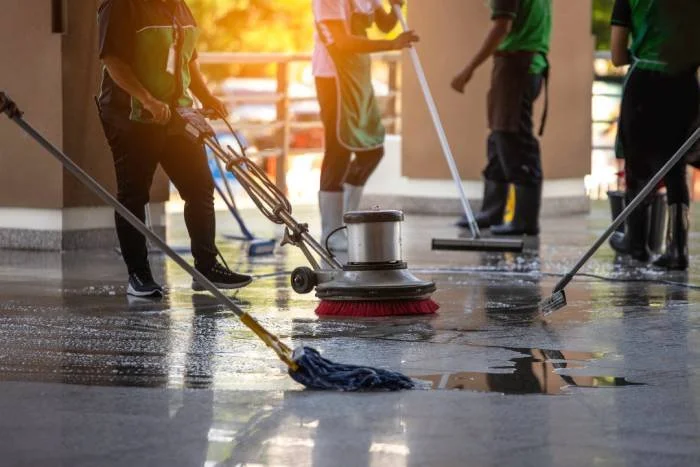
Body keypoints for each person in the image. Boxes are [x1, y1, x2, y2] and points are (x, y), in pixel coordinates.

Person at [97, 0, 253, 297]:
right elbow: (113, 60)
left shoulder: (179, 6)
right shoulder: (119, 6)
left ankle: (206, 268)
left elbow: (187, 60)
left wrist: (207, 96)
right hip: (131, 116)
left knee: (199, 187)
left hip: (176, 114)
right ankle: (138, 275)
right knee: (134, 195)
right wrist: (148, 100)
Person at [312, 0, 418, 250]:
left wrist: (396, 6)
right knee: (338, 151)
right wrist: (392, 44)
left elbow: (384, 24)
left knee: (372, 150)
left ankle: (345, 222)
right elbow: (342, 42)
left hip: (359, 77)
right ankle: (330, 231)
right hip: (333, 78)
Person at [607, 0, 699, 270]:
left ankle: (636, 244)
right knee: (676, 167)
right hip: (684, 84)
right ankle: (678, 248)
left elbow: (616, 55)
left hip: (644, 85)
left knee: (637, 166)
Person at [451, 0, 552, 236]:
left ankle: (525, 219)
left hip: (517, 65)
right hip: (523, 64)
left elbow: (501, 27)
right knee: (499, 136)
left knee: (513, 136)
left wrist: (468, 69)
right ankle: (492, 210)